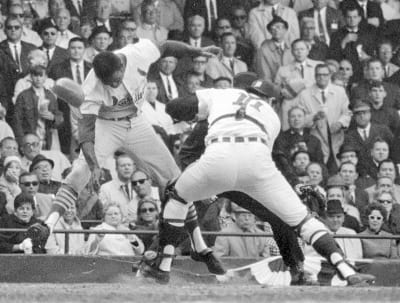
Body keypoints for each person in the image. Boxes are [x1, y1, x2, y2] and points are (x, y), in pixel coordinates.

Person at [140, 80, 375, 285]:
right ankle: (152, 257)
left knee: (276, 217)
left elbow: (278, 158)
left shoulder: (223, 105)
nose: (260, 99)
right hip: (225, 172)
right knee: (196, 208)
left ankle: (297, 269)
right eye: (260, 95)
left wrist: (296, 183)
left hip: (224, 170)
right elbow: (188, 155)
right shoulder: (266, 117)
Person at [28, 38, 225, 276]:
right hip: (107, 126)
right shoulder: (93, 84)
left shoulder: (137, 54)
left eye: (116, 79)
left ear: (121, 67)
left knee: (175, 180)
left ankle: (198, 244)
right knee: (80, 173)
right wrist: (94, 164)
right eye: (108, 82)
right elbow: (87, 132)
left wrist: (195, 50)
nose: (113, 84)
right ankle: (47, 225)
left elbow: (165, 46)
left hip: (136, 122)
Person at [213, 202, 280, 258]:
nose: (247, 218)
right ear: (235, 217)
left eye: (250, 215)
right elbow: (221, 259)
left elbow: (265, 259)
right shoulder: (224, 234)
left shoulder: (261, 235)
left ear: (254, 217)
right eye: (243, 215)